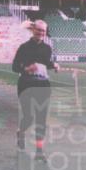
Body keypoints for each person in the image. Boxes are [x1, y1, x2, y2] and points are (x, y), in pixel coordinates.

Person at [11, 20, 57, 161]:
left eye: (43, 31)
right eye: (38, 30)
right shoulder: (24, 47)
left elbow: (46, 63)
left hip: (43, 85)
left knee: (41, 119)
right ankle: (21, 133)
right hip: (26, 84)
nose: (41, 33)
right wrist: (26, 69)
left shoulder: (48, 48)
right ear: (33, 30)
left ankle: (39, 151)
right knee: (29, 117)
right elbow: (14, 67)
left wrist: (54, 65)